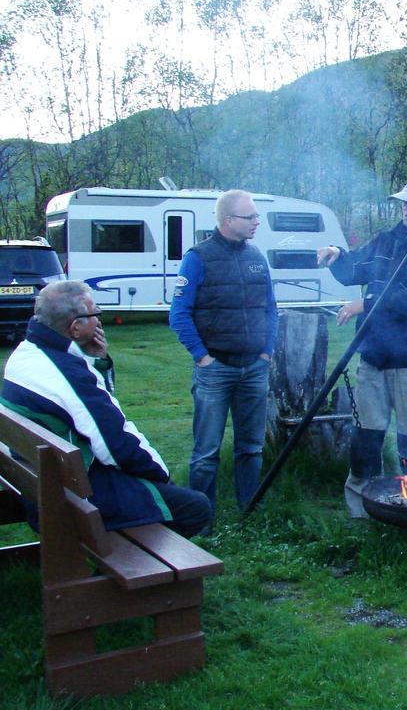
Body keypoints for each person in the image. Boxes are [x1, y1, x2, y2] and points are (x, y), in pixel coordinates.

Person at [1, 281, 210, 537]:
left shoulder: (28, 352)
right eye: (95, 313)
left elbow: (97, 411)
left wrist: (96, 362)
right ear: (75, 327)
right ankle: (131, 574)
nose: (99, 319)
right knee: (195, 506)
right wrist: (163, 476)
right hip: (71, 499)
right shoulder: (68, 374)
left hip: (44, 484)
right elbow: (117, 444)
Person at [316, 176, 407, 518]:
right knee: (365, 438)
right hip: (374, 357)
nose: (406, 209)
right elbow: (356, 267)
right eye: (404, 203)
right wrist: (337, 255)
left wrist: (365, 305)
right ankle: (361, 512)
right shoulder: (388, 240)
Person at [169, 189, 278, 524]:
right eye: (251, 217)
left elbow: (271, 308)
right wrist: (202, 357)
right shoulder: (198, 257)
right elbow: (179, 313)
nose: (257, 221)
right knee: (206, 453)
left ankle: (250, 510)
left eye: (257, 216)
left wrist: (266, 351)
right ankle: (201, 518)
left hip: (254, 369)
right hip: (215, 369)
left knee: (251, 447)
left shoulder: (257, 257)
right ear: (229, 221)